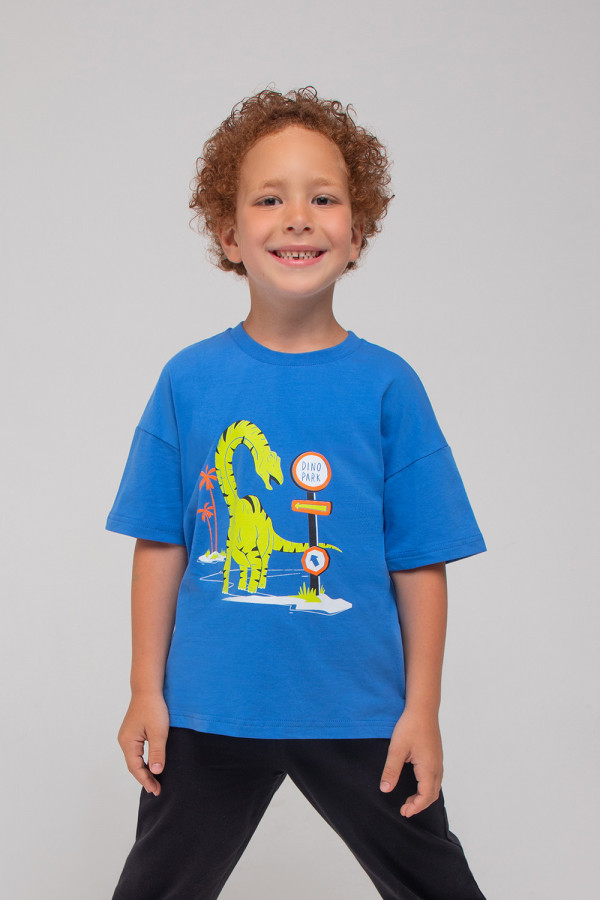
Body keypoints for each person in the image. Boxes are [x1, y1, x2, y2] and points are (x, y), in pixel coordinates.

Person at [106, 85, 488, 900]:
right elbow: (161, 541)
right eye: (269, 199)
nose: (298, 218)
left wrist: (422, 708)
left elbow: (420, 559)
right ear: (228, 234)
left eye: (323, 198)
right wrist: (145, 689)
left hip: (361, 711)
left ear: (359, 232)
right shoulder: (189, 380)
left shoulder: (389, 386)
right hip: (208, 710)